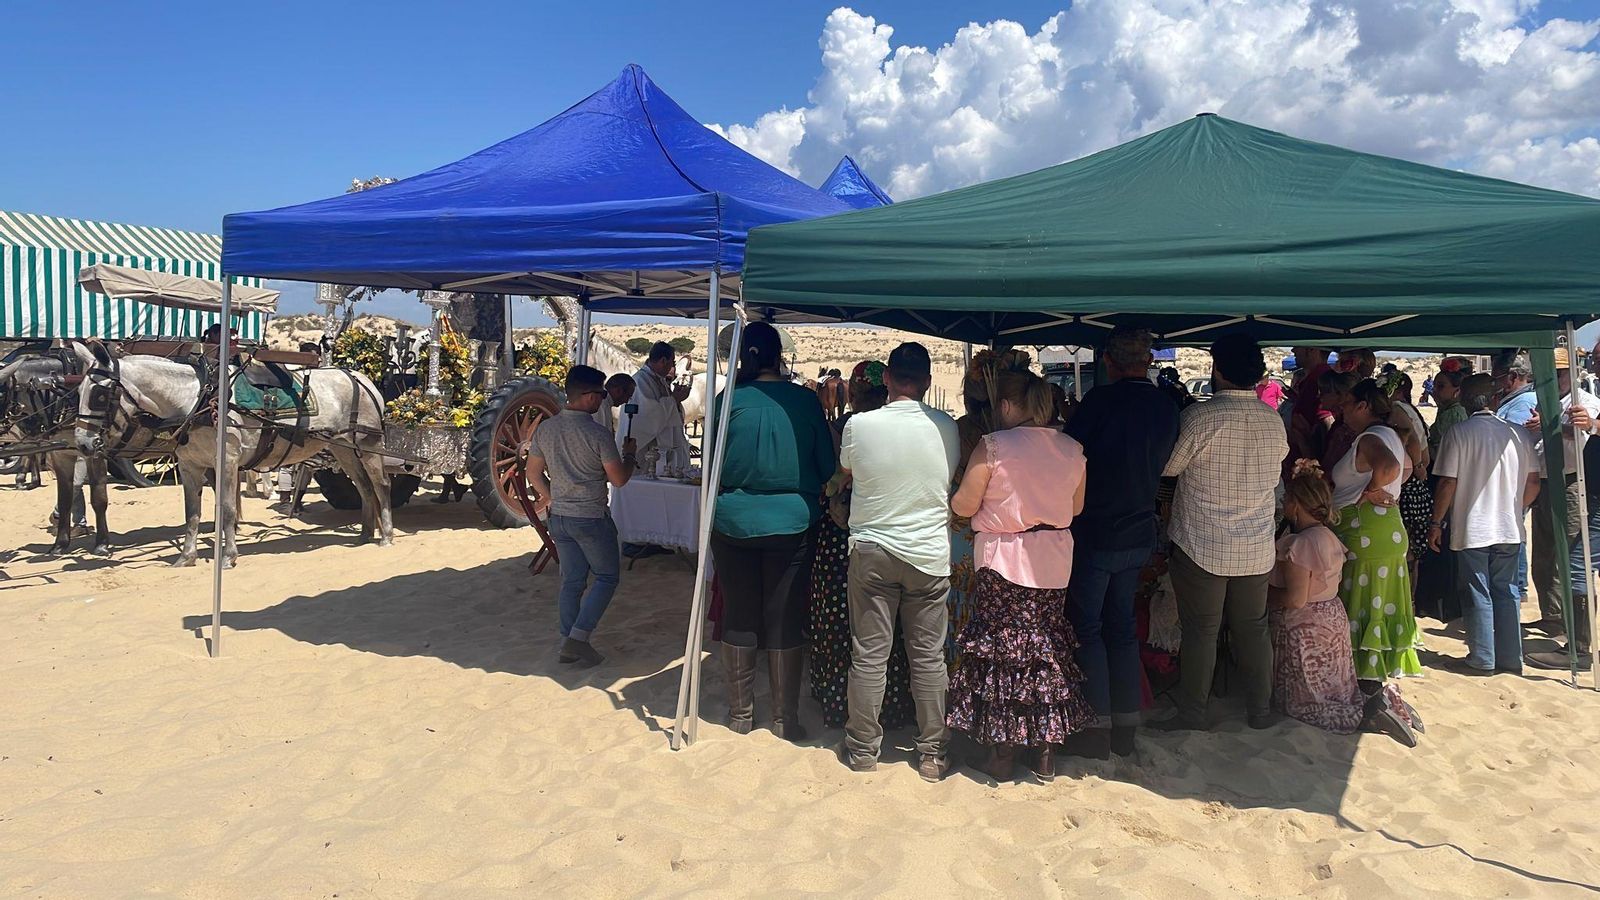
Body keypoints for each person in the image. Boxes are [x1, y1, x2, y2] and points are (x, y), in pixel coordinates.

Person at [947, 369, 1094, 781]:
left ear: (1008, 407)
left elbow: (963, 504)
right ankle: (1045, 753)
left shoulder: (994, 446)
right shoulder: (1072, 448)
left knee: (1002, 654)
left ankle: (1002, 755)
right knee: (1045, 650)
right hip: (1053, 561)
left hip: (1003, 560)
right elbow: (1077, 507)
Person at [835, 342, 960, 781]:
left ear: (886, 377)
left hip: (873, 549)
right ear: (927, 381)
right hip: (927, 554)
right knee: (928, 658)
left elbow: (848, 471)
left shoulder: (859, 425)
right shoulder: (947, 427)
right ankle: (932, 752)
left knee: (869, 656)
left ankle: (863, 748)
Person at [1152, 335, 1288, 732]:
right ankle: (1260, 709)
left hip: (1202, 544)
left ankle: (1193, 712)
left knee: (1201, 632)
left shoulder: (1200, 418)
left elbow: (1169, 469)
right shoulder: (1273, 420)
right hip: (1256, 546)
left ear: (1217, 371)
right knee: (1253, 627)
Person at [708, 323, 835, 740]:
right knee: (785, 616)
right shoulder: (804, 401)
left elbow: (709, 466)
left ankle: (741, 714)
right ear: (779, 356)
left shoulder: (728, 401)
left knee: (740, 612)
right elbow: (826, 468)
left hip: (733, 521)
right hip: (791, 523)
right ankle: (785, 718)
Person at [1063, 327, 1178, 758]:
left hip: (1095, 530)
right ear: (1148, 361)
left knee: (1088, 628)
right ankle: (1126, 730)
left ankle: (1096, 727)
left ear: (1109, 362)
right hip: (1138, 530)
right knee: (1123, 629)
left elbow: (1067, 454)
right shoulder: (1166, 408)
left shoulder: (1099, 402)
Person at [1271, 461, 1417, 743]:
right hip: (1332, 618)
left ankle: (1367, 713)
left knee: (1309, 702)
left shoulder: (1299, 544)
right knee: (1334, 686)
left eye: (1287, 499)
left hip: (1307, 627)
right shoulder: (1328, 536)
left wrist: (1263, 597)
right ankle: (1376, 703)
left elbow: (1295, 599)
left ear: (1296, 505)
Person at [809, 360, 915, 729]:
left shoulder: (844, 428)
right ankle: (895, 705)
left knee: (842, 626)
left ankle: (841, 704)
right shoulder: (901, 431)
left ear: (851, 394)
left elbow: (833, 481)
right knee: (890, 629)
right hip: (892, 533)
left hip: (845, 539)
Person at [526, 365, 637, 667]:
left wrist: (552, 496)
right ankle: (578, 637)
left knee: (572, 582)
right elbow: (619, 480)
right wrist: (630, 455)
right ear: (587, 397)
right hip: (590, 516)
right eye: (601, 394)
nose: (603, 399)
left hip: (560, 515)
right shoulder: (598, 434)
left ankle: (568, 641)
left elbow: (532, 473)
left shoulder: (546, 429)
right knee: (606, 577)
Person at [1430, 373, 1541, 674]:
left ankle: (1482, 657)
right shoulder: (1518, 433)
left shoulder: (1460, 433)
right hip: (1508, 525)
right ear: (1494, 399)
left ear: (1465, 400)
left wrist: (1436, 521)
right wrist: (1516, 508)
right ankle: (1509, 657)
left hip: (1473, 526)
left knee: (1478, 591)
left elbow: (1447, 483)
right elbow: (1533, 482)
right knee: (1506, 592)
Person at [1329, 378, 1423, 683]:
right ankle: (1373, 680)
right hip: (1387, 527)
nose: (1340, 410)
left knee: (1359, 605)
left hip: (1364, 529)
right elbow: (1407, 468)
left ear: (1363, 406)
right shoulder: (1391, 434)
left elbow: (1392, 467)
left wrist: (1367, 492)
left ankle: (1364, 683)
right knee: (1378, 607)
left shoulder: (1369, 438)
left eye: (1345, 404)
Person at [1522, 348, 1600, 639]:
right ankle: (1552, 617)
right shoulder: (1545, 402)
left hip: (1569, 481)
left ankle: (1575, 630)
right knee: (1543, 555)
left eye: (1559, 373)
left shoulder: (1586, 402)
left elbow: (1582, 432)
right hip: (1543, 480)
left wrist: (1551, 425)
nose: (1554, 379)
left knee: (1569, 555)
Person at [632, 342, 691, 473]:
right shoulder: (640, 381)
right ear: (663, 361)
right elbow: (648, 415)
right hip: (645, 451)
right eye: (673, 363)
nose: (673, 366)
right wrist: (674, 399)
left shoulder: (659, 380)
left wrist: (676, 399)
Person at [592, 373, 636, 438]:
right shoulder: (602, 405)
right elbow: (603, 439)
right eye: (628, 396)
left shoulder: (604, 403)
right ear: (619, 391)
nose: (626, 401)